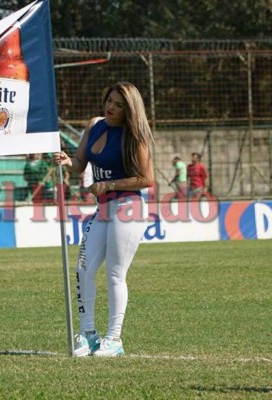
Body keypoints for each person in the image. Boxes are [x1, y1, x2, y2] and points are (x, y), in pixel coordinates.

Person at [54, 82, 154, 357]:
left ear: (129, 110)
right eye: (109, 100)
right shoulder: (95, 125)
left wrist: (108, 185)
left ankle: (114, 339)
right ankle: (88, 334)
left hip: (128, 207)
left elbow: (146, 179)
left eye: (119, 105)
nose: (110, 107)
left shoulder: (135, 136)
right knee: (83, 268)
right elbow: (79, 165)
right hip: (102, 209)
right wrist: (66, 161)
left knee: (115, 274)